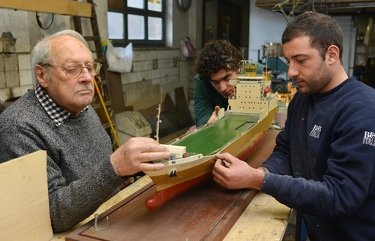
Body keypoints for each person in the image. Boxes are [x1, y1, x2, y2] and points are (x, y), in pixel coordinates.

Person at [212, 12, 375, 240]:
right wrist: (261, 171)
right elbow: (287, 151)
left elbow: (339, 196)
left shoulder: (362, 109)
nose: (291, 72)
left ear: (331, 54)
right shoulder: (302, 99)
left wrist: (258, 180)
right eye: (289, 61)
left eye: (300, 60)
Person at [0, 30, 170, 233]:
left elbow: (100, 167)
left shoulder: (84, 109)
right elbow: (52, 215)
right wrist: (116, 167)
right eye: (72, 69)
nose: (87, 78)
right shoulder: (19, 127)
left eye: (90, 67)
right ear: (42, 75)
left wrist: (139, 162)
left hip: (109, 217)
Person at [193, 39, 242, 127]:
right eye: (215, 82)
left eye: (226, 78)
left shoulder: (260, 75)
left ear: (238, 67)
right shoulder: (202, 80)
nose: (223, 88)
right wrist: (209, 122)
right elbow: (202, 114)